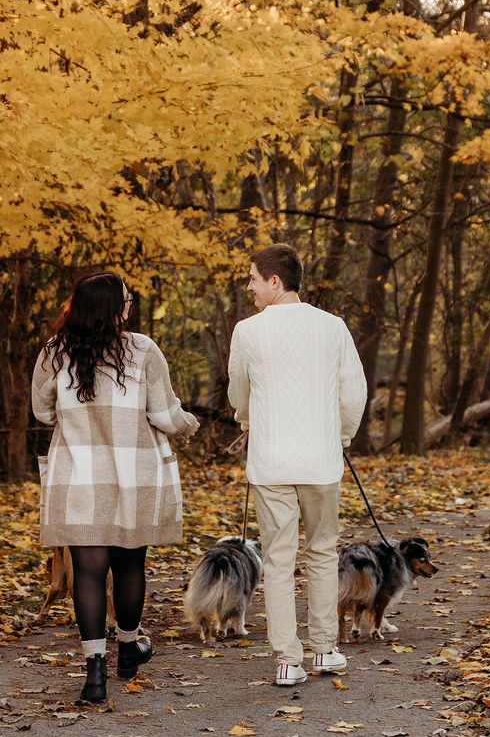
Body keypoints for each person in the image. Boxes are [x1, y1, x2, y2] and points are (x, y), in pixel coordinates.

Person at [32, 272, 198, 703]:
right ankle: (127, 649)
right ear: (111, 307)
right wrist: (190, 425)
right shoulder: (142, 349)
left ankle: (94, 675)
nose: (130, 306)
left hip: (79, 474)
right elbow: (164, 414)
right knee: (129, 566)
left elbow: (42, 412)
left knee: (87, 572)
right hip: (133, 474)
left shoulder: (54, 352)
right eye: (126, 300)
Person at [226, 243, 367, 686]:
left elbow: (238, 392)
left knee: (279, 559)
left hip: (271, 462)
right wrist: (341, 436)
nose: (248, 286)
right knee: (323, 552)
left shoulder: (247, 332)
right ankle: (325, 650)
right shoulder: (333, 327)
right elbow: (353, 391)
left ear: (275, 281)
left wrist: (248, 422)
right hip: (321, 462)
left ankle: (288, 660)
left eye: (253, 278)